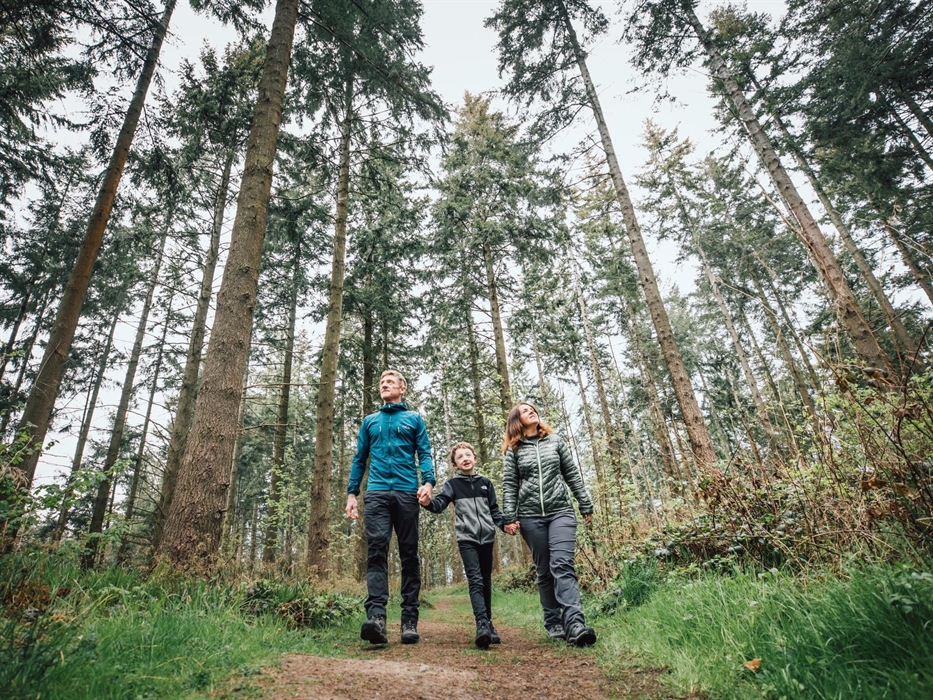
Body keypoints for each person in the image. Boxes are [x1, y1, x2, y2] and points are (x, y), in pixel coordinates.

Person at [346, 370, 435, 645]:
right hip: (376, 493)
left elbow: (425, 452)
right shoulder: (370, 422)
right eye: (381, 382)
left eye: (390, 382)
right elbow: (360, 458)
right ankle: (376, 618)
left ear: (402, 388)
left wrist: (429, 482)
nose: (384, 385)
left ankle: (409, 621)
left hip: (408, 492)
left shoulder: (414, 419)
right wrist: (352, 493)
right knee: (376, 551)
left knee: (409, 554)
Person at [501, 401, 597, 647]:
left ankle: (575, 623)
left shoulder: (555, 441)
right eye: (524, 410)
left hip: (561, 512)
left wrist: (584, 503)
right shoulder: (514, 451)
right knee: (544, 570)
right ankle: (553, 621)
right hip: (531, 517)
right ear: (517, 421)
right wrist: (509, 518)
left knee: (562, 564)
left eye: (532, 408)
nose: (531, 410)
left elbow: (572, 474)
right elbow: (510, 486)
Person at [419, 441, 505, 649]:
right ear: (455, 464)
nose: (465, 459)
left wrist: (505, 525)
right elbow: (439, 504)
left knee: (485, 581)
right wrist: (427, 502)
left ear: (475, 459)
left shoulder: (486, 483)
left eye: (468, 455)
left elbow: (494, 511)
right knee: (475, 579)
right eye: (460, 457)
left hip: (488, 538)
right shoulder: (453, 485)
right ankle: (481, 624)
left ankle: (489, 624)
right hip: (467, 539)